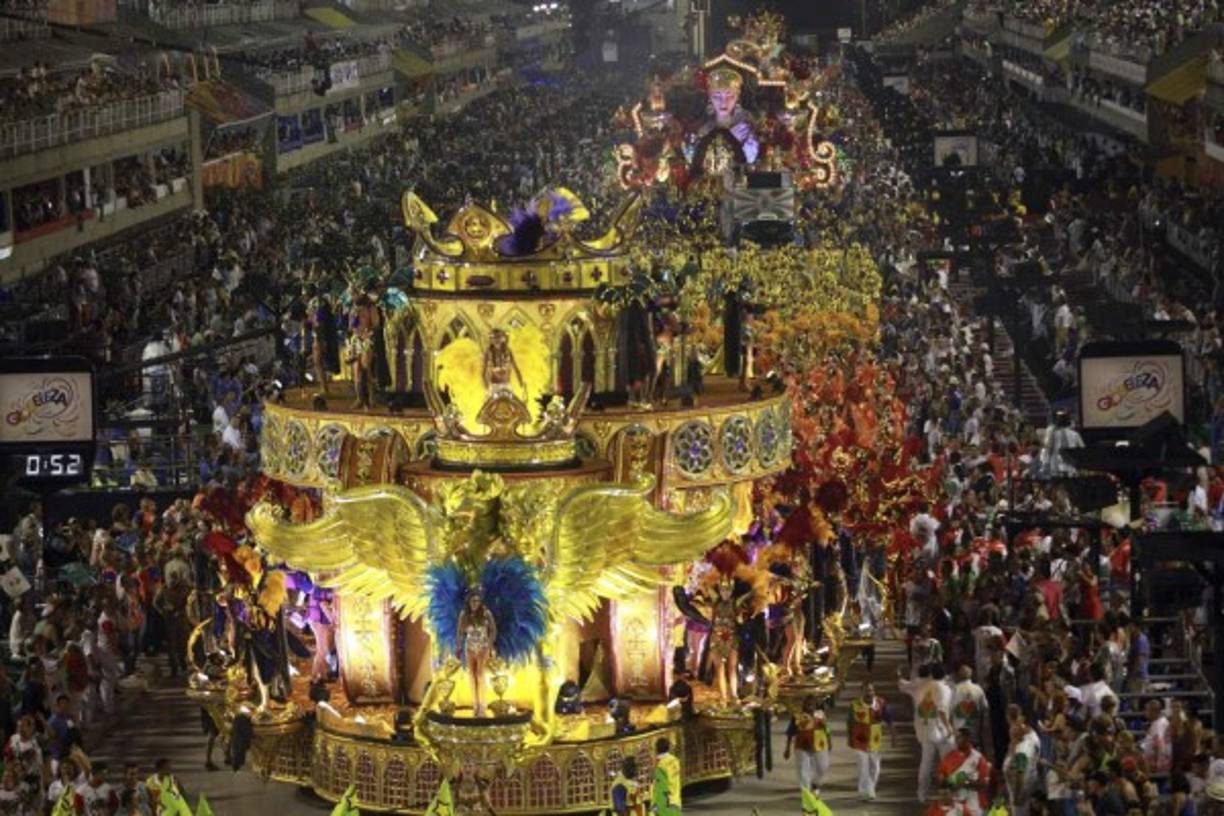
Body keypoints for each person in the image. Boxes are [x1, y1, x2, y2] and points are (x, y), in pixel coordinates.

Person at [900, 663, 954, 803]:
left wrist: (899, 675)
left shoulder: (922, 685)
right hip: (941, 731)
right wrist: (949, 728)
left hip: (924, 729)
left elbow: (903, 685)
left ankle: (922, 793)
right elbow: (942, 710)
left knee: (926, 763)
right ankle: (948, 793)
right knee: (946, 762)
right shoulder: (944, 689)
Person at [848, 681, 893, 802]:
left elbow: (889, 719)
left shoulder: (880, 703)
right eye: (866, 690)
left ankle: (870, 788)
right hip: (859, 740)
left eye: (871, 690)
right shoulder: (854, 705)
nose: (869, 693)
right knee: (863, 767)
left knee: (875, 768)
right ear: (861, 692)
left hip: (875, 740)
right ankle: (865, 792)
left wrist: (893, 736)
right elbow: (850, 722)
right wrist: (850, 739)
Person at [457, 591, 496, 718]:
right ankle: (475, 705)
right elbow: (460, 632)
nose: (475, 603)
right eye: (473, 601)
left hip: (483, 647)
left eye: (477, 601)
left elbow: (493, 630)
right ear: (469, 602)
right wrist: (458, 647)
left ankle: (483, 705)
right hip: (469, 647)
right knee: (471, 675)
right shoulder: (464, 615)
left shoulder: (486, 613)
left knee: (480, 674)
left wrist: (490, 644)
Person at [938, 726, 993, 816]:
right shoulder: (948, 757)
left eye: (960, 737)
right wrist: (952, 781)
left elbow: (984, 783)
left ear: (968, 738)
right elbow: (941, 781)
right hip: (955, 807)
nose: (956, 739)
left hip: (974, 806)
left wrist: (966, 782)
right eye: (956, 737)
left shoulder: (978, 758)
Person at [784, 695, 832, 795]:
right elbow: (790, 732)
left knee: (823, 766)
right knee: (802, 770)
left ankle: (815, 783)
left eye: (812, 703)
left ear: (815, 704)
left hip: (819, 744)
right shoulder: (797, 716)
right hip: (802, 746)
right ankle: (806, 793)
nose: (810, 705)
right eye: (808, 703)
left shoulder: (820, 714)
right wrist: (787, 748)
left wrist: (829, 741)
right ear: (804, 704)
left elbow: (827, 729)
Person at [951, 664, 989, 748]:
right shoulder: (978, 689)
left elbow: (950, 709)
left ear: (959, 676)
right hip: (974, 729)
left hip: (959, 731)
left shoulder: (954, 689)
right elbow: (985, 708)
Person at [653, 737, 682, 813]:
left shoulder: (659, 765)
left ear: (656, 749)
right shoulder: (675, 760)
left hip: (664, 801)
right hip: (675, 799)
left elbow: (658, 785)